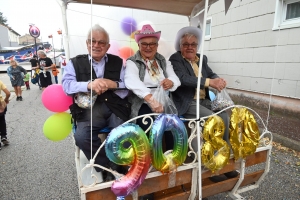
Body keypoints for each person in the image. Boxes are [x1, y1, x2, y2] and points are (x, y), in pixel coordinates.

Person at [62, 24, 131, 182]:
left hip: (115, 107)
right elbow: (66, 86)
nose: (96, 45)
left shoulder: (118, 62)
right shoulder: (75, 63)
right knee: (82, 137)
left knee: (121, 133)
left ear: (108, 46)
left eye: (101, 42)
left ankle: (117, 164)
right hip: (88, 110)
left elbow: (128, 86)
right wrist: (88, 85)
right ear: (87, 43)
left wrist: (112, 84)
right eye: (92, 41)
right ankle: (106, 166)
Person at [169, 26, 238, 182]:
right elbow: (183, 79)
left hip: (203, 101)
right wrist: (209, 82)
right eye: (186, 44)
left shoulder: (202, 59)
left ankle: (224, 155)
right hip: (187, 102)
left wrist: (218, 79)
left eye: (193, 44)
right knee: (213, 121)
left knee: (224, 117)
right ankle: (212, 165)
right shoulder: (176, 59)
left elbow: (211, 73)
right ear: (180, 47)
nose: (190, 47)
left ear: (197, 46)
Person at [125, 24, 180, 132]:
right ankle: (150, 149)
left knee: (173, 130)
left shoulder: (162, 61)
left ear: (157, 45)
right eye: (144, 44)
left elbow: (175, 78)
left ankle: (170, 149)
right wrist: (152, 100)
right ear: (138, 45)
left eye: (152, 44)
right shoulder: (132, 61)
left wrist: (171, 82)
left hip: (164, 102)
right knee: (148, 127)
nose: (148, 47)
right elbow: (131, 80)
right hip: (143, 103)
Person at [0, 80, 11, 150]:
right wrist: (6, 99)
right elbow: (8, 93)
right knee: (2, 120)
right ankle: (3, 136)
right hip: (1, 104)